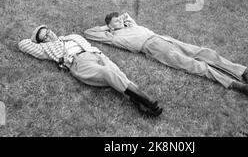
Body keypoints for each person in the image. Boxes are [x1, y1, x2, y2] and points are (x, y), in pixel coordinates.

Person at [84, 13, 248, 97]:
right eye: (115, 21)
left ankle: (246, 71)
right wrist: (107, 27)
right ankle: (236, 85)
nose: (119, 21)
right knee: (195, 65)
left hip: (164, 39)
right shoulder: (114, 36)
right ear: (110, 25)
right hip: (153, 48)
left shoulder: (130, 25)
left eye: (119, 19)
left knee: (205, 52)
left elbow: (126, 15)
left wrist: (123, 20)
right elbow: (88, 33)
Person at [18, 25, 163, 117]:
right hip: (78, 62)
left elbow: (86, 44)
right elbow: (23, 44)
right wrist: (37, 40)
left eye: (48, 31)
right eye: (45, 36)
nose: (49, 35)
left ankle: (138, 103)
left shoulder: (72, 37)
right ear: (42, 42)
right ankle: (147, 101)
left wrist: (67, 39)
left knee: (118, 75)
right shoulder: (46, 48)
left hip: (97, 55)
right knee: (108, 73)